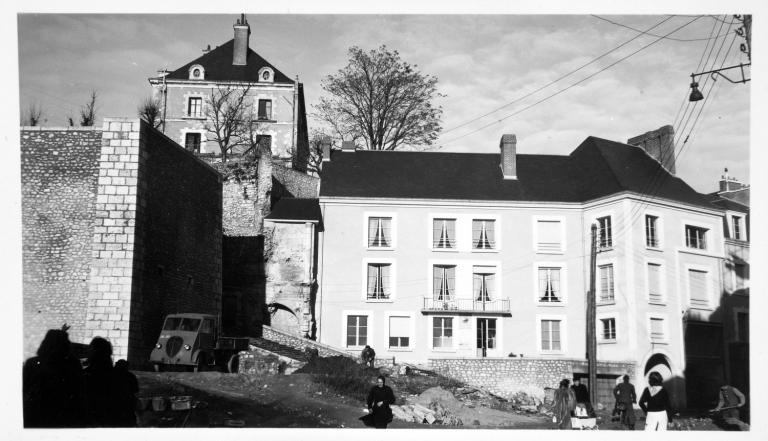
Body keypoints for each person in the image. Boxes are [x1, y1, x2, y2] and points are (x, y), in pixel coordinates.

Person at [23, 329, 87, 427]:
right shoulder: (73, 364)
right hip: (66, 414)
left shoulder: (32, 363)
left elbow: (25, 389)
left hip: (37, 412)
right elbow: (79, 391)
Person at [113, 359, 140, 427]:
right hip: (127, 403)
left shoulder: (110, 376)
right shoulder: (130, 376)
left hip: (114, 403)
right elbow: (135, 390)